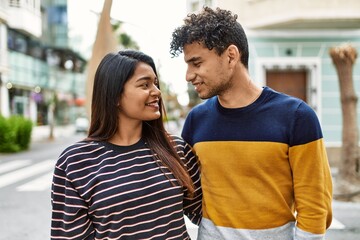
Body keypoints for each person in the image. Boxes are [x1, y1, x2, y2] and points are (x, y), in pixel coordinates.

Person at [170, 6, 333, 240]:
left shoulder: (297, 116)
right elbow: (190, 193)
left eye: (196, 63)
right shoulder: (196, 121)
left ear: (231, 56)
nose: (188, 75)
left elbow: (315, 205)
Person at [51, 50, 202, 239]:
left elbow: (205, 214)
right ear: (114, 95)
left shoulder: (176, 149)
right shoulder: (75, 161)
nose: (156, 92)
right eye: (145, 85)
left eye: (155, 83)